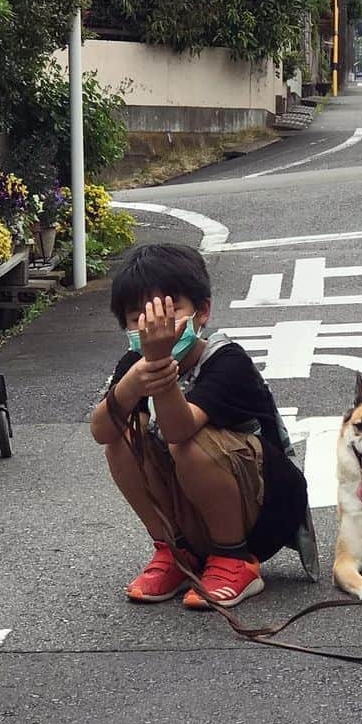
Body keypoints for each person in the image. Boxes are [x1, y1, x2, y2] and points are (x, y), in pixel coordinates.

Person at [90, 243, 308, 609]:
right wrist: (132, 382)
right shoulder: (134, 360)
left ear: (202, 312)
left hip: (264, 513)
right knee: (124, 436)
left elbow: (179, 429)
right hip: (194, 509)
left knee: (187, 443)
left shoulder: (226, 361)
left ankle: (234, 559)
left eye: (169, 312)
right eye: (138, 318)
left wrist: (158, 367)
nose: (154, 328)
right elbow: (102, 432)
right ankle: (175, 552)